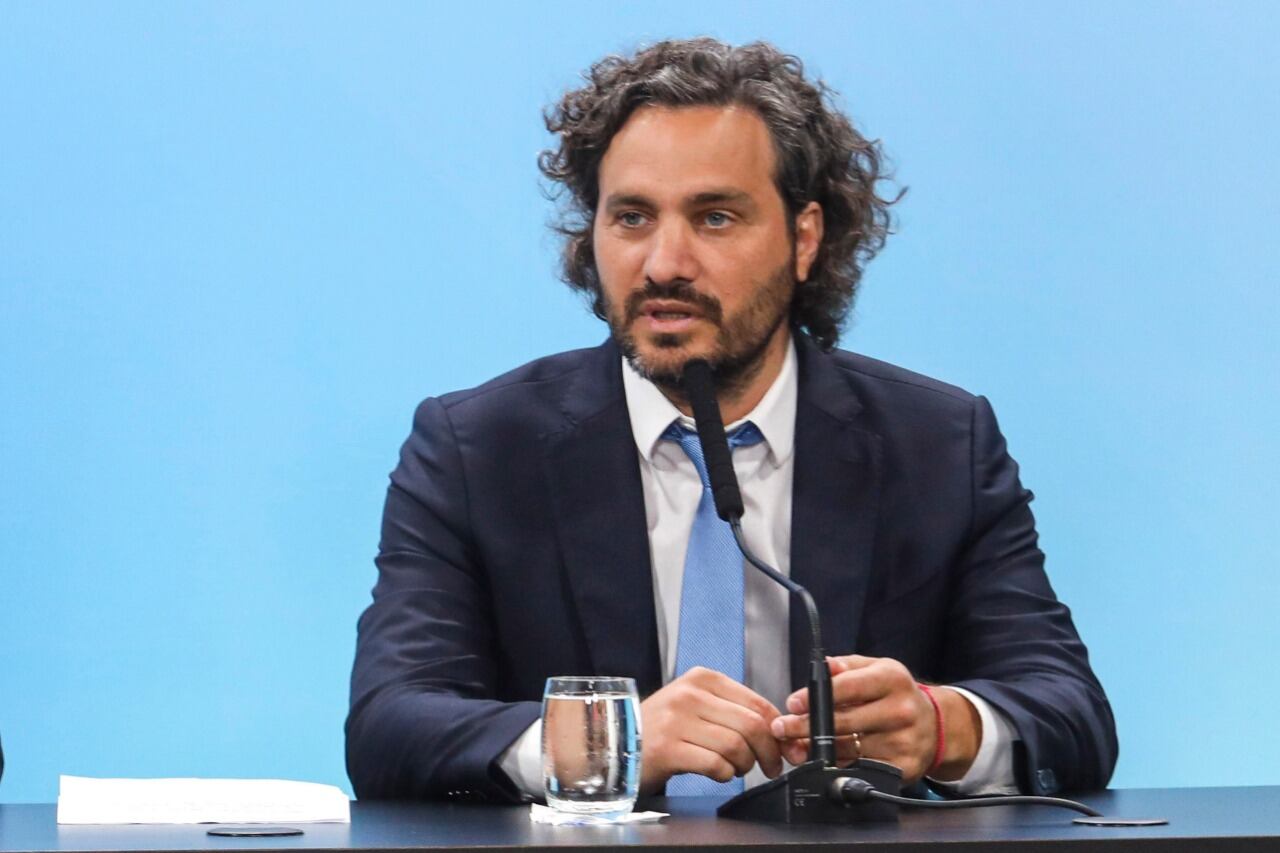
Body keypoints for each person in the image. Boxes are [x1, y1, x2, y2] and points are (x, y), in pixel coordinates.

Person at [345, 38, 1117, 804]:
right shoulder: (478, 450)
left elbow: (1070, 712)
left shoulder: (939, 446)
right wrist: (607, 742)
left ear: (804, 238)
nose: (664, 263)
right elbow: (388, 724)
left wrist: (943, 727)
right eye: (632, 217)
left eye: (714, 217)